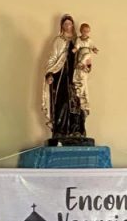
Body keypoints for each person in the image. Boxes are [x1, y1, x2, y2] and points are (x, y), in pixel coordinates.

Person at [42, 14, 86, 142]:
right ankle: (60, 131)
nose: (68, 26)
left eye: (70, 23)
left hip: (74, 76)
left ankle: (76, 130)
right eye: (65, 24)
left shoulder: (78, 41)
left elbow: (85, 56)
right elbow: (52, 58)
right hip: (61, 75)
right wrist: (50, 73)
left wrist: (85, 64)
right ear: (61, 26)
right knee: (63, 102)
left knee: (76, 102)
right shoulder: (58, 40)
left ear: (73, 25)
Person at [73, 22, 99, 116]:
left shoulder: (89, 40)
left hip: (86, 59)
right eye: (84, 31)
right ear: (81, 31)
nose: (86, 33)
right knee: (81, 79)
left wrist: (95, 49)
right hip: (80, 57)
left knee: (87, 54)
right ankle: (81, 102)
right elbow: (77, 46)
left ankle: (85, 105)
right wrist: (75, 49)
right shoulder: (78, 39)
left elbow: (92, 46)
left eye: (87, 31)